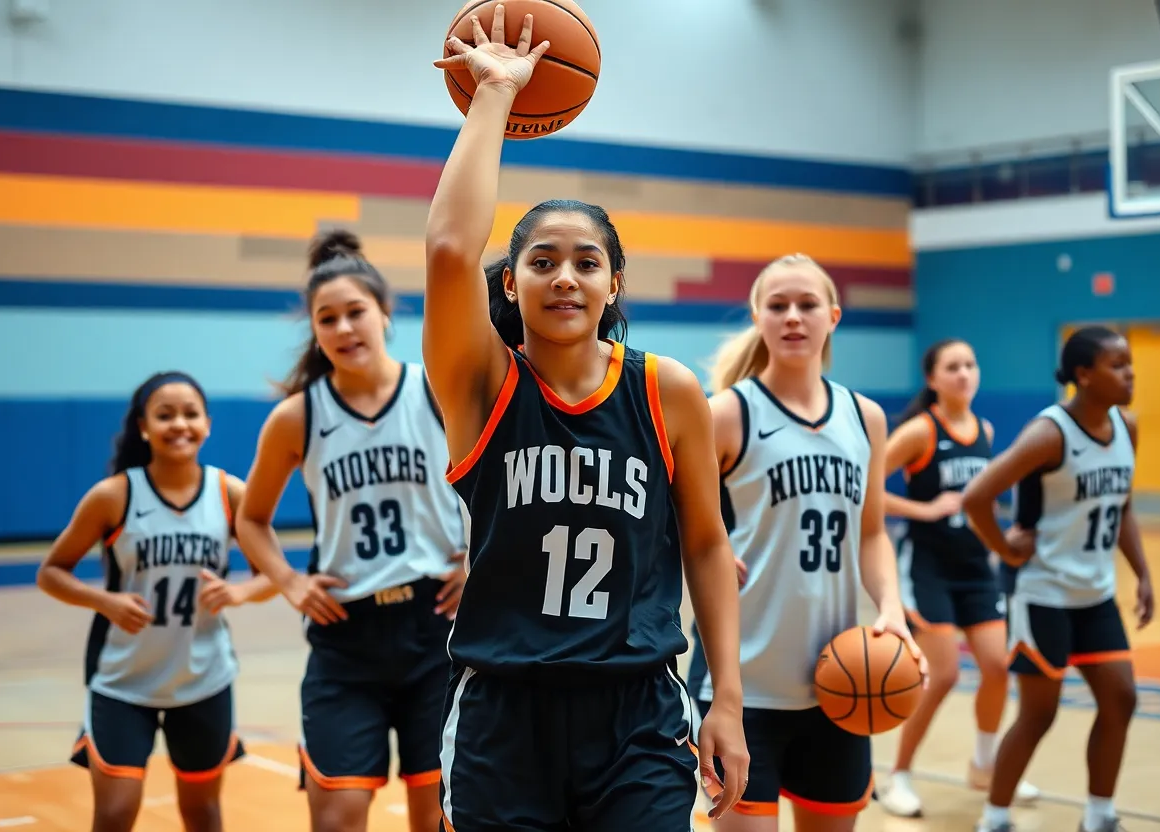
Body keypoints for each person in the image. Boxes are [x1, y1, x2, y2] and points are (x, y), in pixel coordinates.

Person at [424, 8, 750, 830]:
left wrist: (728, 704)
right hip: (505, 713)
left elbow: (708, 544)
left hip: (637, 712)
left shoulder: (667, 390)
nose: (564, 277)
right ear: (511, 286)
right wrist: (496, 92)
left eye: (586, 262)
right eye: (541, 261)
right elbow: (449, 252)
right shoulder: (481, 386)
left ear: (613, 285)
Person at [234, 231, 468, 832]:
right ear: (315, 331)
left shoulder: (435, 391)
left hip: (435, 631)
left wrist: (476, 561)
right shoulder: (298, 417)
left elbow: (500, 481)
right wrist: (287, 580)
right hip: (346, 639)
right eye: (327, 319)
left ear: (385, 314)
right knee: (336, 819)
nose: (343, 329)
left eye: (355, 312)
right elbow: (250, 518)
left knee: (440, 817)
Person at [687, 254, 926, 831]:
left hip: (841, 686)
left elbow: (871, 534)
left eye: (807, 304)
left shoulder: (865, 418)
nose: (793, 317)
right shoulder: (726, 413)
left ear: (833, 316)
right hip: (742, 687)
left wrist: (892, 608)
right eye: (778, 305)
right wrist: (704, 553)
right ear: (757, 317)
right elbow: (677, 527)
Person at [37, 371, 276, 832]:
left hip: (203, 678)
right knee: (114, 814)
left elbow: (273, 575)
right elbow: (50, 572)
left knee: (203, 814)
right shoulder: (114, 496)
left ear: (207, 424)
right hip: (124, 682)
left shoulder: (229, 493)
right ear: (144, 427)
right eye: (164, 415)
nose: (179, 424)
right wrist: (105, 601)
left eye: (190, 414)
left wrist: (239, 592)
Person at [962, 325, 1153, 832]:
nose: (1130, 373)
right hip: (1041, 594)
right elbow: (976, 496)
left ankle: (1099, 816)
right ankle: (995, 818)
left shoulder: (1126, 427)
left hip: (1095, 595)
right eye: (1118, 365)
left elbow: (1123, 506)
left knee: (1121, 698)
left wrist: (1143, 573)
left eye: (1130, 363)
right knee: (1039, 713)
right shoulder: (1050, 434)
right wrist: (1004, 548)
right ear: (1083, 376)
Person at [877, 339, 1039, 817]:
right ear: (933, 379)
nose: (964, 373)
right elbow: (866, 488)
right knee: (942, 674)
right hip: (929, 569)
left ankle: (984, 764)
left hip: (975, 569)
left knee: (996, 667)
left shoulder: (985, 429)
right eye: (953, 367)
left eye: (970, 364)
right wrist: (924, 509)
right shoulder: (919, 432)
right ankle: (898, 775)